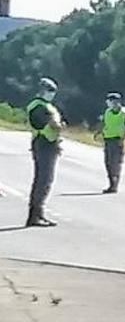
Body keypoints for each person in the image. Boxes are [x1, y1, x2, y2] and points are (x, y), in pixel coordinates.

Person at [26, 77, 65, 227]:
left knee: (45, 180)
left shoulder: (45, 105)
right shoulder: (39, 106)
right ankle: (35, 215)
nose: (52, 94)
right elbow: (52, 124)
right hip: (44, 143)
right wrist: (60, 126)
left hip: (48, 143)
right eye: (50, 91)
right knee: (43, 180)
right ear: (42, 90)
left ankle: (38, 214)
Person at [98, 92, 125, 194]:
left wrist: (123, 138)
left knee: (116, 163)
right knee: (108, 163)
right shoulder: (107, 112)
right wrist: (98, 132)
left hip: (117, 140)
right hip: (108, 140)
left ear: (116, 101)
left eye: (110, 101)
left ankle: (115, 185)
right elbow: (104, 123)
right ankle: (111, 184)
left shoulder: (124, 112)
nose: (108, 103)